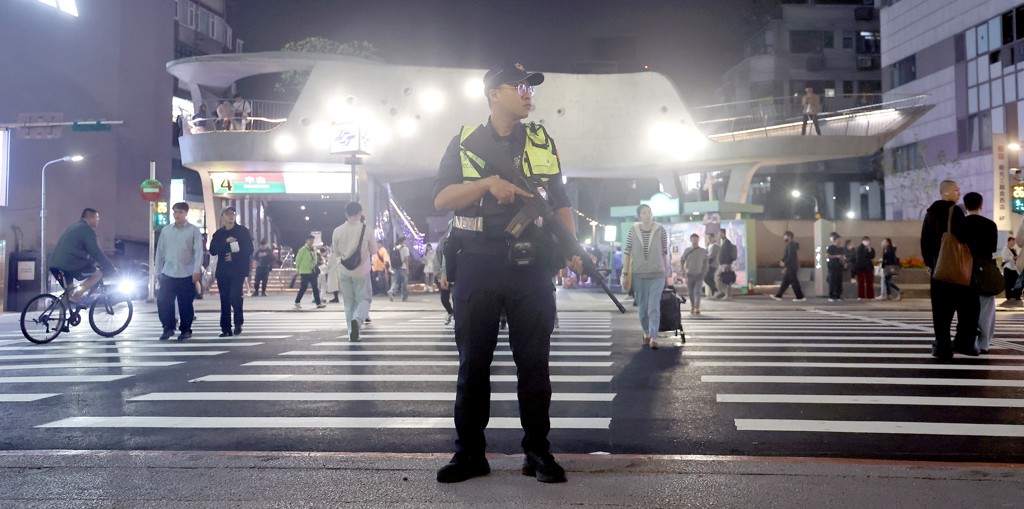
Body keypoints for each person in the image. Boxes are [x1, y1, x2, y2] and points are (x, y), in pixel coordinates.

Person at [432, 60, 582, 484]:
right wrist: (485, 185)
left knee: (534, 364)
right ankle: (469, 455)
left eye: (530, 85)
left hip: (530, 264)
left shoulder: (540, 138)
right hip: (477, 261)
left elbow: (561, 199)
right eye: (519, 85)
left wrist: (571, 248)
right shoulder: (464, 141)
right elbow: (442, 198)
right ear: (493, 93)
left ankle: (537, 452)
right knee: (472, 365)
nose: (528, 91)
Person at [920, 180, 974, 358]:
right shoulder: (955, 211)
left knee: (940, 312)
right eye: (956, 190)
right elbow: (965, 236)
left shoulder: (930, 213)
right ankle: (963, 343)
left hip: (938, 269)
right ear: (946, 192)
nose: (959, 193)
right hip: (955, 269)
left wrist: (931, 263)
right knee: (965, 308)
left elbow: (925, 241)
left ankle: (942, 346)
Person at [622, 204, 672, 347]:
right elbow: (627, 253)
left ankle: (654, 337)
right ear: (639, 216)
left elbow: (664, 252)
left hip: (658, 274)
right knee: (643, 308)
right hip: (638, 274)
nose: (647, 215)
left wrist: (667, 272)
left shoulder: (660, 229)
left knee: (653, 306)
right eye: (644, 213)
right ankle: (646, 332)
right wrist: (625, 274)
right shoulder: (633, 230)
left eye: (649, 212)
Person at [154, 202, 203, 341]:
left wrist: (196, 270)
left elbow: (198, 252)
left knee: (185, 303)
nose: (177, 215)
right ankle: (168, 327)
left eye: (180, 212)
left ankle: (186, 329)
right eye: (175, 212)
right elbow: (160, 252)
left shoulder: (193, 230)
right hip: (168, 272)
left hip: (186, 272)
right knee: (163, 301)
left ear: (186, 213)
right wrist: (158, 271)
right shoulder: (166, 230)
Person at [48, 208, 117, 304]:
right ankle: (77, 296)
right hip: (69, 262)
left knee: (69, 292)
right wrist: (110, 266)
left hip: (55, 263)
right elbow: (95, 251)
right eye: (97, 218)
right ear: (90, 217)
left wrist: (92, 262)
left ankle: (61, 318)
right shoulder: (87, 230)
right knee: (97, 274)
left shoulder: (73, 226)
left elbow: (79, 249)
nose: (98, 220)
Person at [332, 201, 377, 341]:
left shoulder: (337, 230)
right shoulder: (367, 229)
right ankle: (357, 321)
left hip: (344, 271)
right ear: (360, 213)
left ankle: (351, 333)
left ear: (346, 213)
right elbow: (374, 250)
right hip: (362, 271)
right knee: (364, 299)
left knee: (348, 303)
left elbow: (336, 252)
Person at [207, 207, 253, 337]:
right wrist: (225, 242)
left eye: (232, 214)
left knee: (235, 296)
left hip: (238, 270)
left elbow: (249, 249)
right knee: (224, 299)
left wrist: (235, 256)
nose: (231, 216)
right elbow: (213, 250)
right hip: (223, 271)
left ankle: (238, 322)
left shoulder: (242, 231)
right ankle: (225, 328)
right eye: (227, 214)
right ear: (222, 217)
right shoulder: (219, 234)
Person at [962, 192, 998, 355]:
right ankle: (984, 343)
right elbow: (992, 249)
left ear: (965, 205)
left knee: (967, 308)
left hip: (964, 268)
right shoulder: (990, 225)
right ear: (981, 205)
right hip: (984, 269)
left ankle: (969, 340)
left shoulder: (961, 224)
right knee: (986, 307)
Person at [770, 230, 805, 302]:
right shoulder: (790, 245)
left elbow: (790, 256)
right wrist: (784, 263)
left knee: (794, 282)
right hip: (791, 267)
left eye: (784, 236)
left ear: (788, 236)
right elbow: (788, 256)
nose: (784, 238)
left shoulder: (791, 245)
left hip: (791, 267)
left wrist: (784, 263)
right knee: (786, 282)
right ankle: (779, 296)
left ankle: (800, 297)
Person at [294, 235, 326, 310]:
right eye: (310, 240)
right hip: (304, 271)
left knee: (315, 287)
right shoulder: (302, 250)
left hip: (313, 271)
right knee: (303, 287)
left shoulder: (314, 249)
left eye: (312, 240)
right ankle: (297, 301)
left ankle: (318, 303)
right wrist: (297, 270)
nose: (311, 241)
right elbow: (298, 260)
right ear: (307, 240)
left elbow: (315, 260)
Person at [681, 233, 709, 315]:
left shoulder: (703, 251)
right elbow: (682, 260)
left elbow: (706, 262)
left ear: (698, 240)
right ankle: (693, 306)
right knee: (690, 292)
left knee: (697, 291)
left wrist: (704, 271)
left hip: (699, 274)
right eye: (693, 238)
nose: (695, 240)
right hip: (689, 274)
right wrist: (683, 270)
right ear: (690, 240)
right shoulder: (687, 250)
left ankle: (697, 307)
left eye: (696, 238)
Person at [436, 226, 455, 325]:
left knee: (456, 298)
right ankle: (450, 312)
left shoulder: (463, 240)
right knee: (444, 298)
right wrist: (440, 273)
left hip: (457, 275)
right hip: (445, 274)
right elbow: (439, 257)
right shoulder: (443, 241)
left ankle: (457, 318)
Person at [713, 228, 737, 300]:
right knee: (721, 278)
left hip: (725, 264)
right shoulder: (724, 242)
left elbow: (727, 254)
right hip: (723, 264)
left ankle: (726, 294)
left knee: (726, 278)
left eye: (720, 233)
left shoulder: (727, 243)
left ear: (723, 233)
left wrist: (728, 264)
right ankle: (723, 292)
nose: (719, 235)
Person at [387, 236, 410, 301]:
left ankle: (391, 291)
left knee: (396, 281)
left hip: (396, 267)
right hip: (403, 267)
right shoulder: (406, 249)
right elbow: (406, 259)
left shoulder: (395, 248)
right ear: (403, 241)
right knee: (404, 282)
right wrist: (407, 268)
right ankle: (404, 296)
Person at [825, 232, 846, 302]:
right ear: (834, 240)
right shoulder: (831, 247)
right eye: (838, 239)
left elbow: (843, 256)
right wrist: (836, 256)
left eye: (840, 239)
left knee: (839, 281)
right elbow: (827, 255)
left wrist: (843, 259)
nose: (839, 241)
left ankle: (838, 296)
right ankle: (831, 296)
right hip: (832, 267)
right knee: (832, 281)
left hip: (839, 267)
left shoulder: (841, 248)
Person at [1000, 236, 1021, 304]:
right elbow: (1005, 258)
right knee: (1008, 282)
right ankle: (1009, 295)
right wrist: (1013, 257)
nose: (1013, 243)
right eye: (1012, 241)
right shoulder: (1005, 249)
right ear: (1009, 241)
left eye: (1014, 242)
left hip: (1014, 267)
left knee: (1016, 281)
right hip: (1008, 267)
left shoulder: (1013, 249)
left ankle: (1016, 295)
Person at [704, 233, 719, 298]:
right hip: (708, 265)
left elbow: (711, 256)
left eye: (710, 237)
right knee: (711, 279)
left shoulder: (715, 246)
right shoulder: (708, 246)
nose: (709, 239)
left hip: (712, 265)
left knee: (706, 278)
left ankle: (716, 291)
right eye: (708, 237)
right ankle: (714, 294)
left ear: (714, 238)